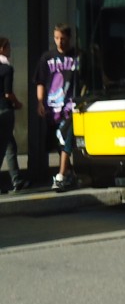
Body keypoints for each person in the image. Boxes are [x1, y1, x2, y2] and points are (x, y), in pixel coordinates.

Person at [35, 24, 81, 192]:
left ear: (69, 38)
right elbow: (40, 80)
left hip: (72, 105)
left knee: (66, 136)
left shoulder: (77, 56)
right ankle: (70, 173)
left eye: (62, 38)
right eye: (56, 38)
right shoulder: (47, 58)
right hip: (53, 106)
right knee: (58, 142)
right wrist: (40, 101)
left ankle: (61, 175)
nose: (59, 42)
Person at [0, 37, 28, 193]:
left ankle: (17, 180)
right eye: (8, 47)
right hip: (4, 112)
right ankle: (16, 180)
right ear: (2, 49)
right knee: (5, 146)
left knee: (10, 145)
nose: (10, 50)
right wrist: (18, 104)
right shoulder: (7, 69)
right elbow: (8, 93)